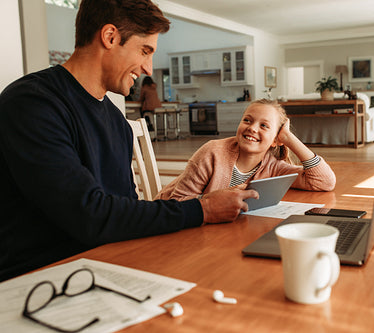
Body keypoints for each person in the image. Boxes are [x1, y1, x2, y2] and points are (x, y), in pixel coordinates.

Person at [0, 0, 257, 282]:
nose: (148, 68)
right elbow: (89, 215)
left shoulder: (117, 121)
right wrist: (201, 209)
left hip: (104, 266)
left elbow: (123, 211)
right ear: (110, 37)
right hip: (41, 279)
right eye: (145, 51)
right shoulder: (32, 103)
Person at [155, 99, 336, 201]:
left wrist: (289, 139)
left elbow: (324, 182)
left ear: (276, 140)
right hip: (170, 219)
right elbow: (176, 203)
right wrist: (216, 199)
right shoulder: (212, 152)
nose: (252, 128)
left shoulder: (274, 168)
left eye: (264, 126)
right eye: (247, 120)